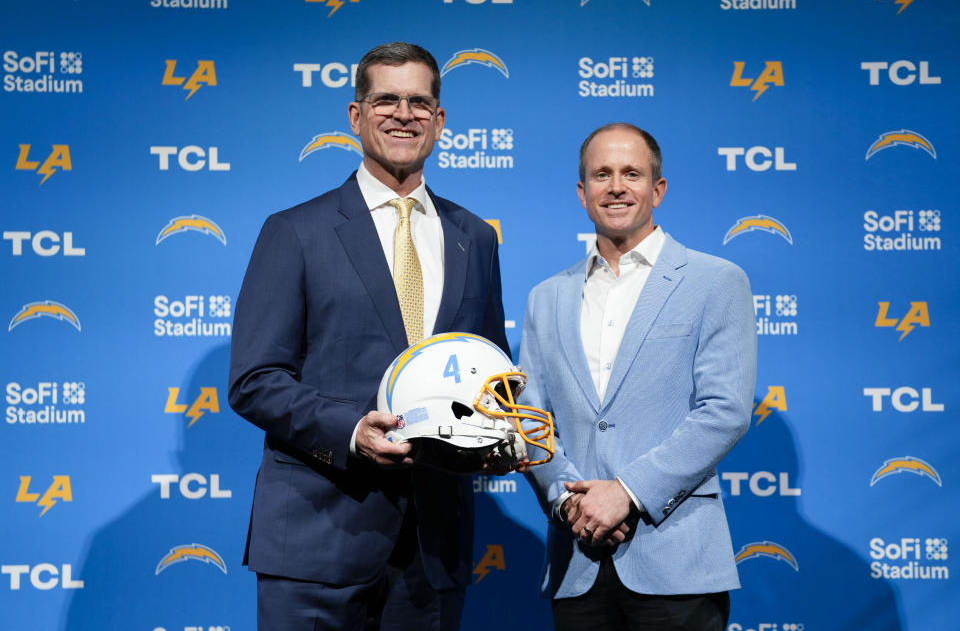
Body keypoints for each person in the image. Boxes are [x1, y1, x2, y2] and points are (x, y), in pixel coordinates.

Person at [228, 41, 509, 631]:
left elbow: (487, 368)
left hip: (433, 550)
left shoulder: (475, 237)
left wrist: (496, 431)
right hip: (316, 542)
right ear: (356, 116)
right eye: (386, 100)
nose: (403, 114)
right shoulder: (294, 231)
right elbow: (255, 380)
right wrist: (351, 430)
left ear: (439, 121)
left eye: (419, 102)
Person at [518, 123, 757, 630]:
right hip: (577, 562)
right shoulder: (546, 297)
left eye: (632, 173)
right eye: (601, 174)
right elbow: (529, 420)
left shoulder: (715, 281)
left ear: (658, 189)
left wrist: (626, 491)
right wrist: (568, 504)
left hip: (678, 562)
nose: (617, 186)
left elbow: (725, 411)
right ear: (583, 192)